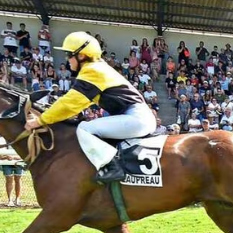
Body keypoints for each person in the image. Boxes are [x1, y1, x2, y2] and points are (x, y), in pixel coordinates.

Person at [24, 32, 155, 184]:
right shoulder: (97, 68)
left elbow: (69, 103)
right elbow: (75, 104)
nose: (67, 59)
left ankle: (113, 167)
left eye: (69, 54)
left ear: (82, 56)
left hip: (135, 118)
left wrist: (40, 120)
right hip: (135, 116)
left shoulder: (92, 70)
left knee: (84, 129)